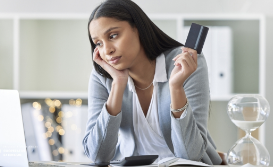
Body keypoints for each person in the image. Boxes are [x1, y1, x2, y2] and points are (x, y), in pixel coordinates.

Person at [82, 0, 222, 165]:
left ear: (138, 29)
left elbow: (190, 154)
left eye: (113, 36)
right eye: (98, 43)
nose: (107, 50)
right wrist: (118, 85)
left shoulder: (185, 63)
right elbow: (97, 155)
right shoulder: (103, 76)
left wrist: (176, 88)